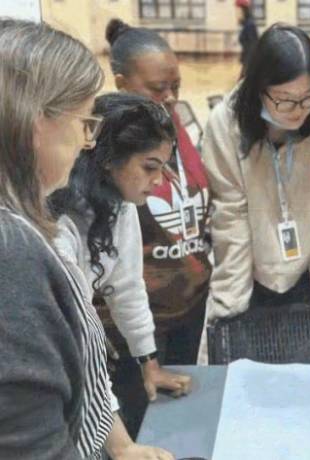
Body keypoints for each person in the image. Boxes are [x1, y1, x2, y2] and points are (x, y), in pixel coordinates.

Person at [0, 19, 172, 459]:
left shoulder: (31, 228)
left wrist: (122, 446)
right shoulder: (13, 251)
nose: (85, 141)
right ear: (36, 122)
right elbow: (29, 439)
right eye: (83, 122)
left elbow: (83, 354)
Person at [197, 23, 310, 362]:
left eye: (308, 97)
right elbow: (230, 215)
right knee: (252, 374)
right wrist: (232, 298)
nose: (298, 110)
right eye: (284, 100)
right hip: (250, 277)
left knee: (308, 374)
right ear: (258, 89)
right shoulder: (226, 123)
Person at [49, 93, 194, 437]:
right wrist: (120, 442)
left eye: (163, 167)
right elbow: (75, 335)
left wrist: (149, 363)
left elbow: (127, 287)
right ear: (108, 159)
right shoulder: (56, 222)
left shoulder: (120, 203)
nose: (158, 181)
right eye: (149, 167)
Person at [104, 19, 212, 437]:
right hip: (134, 325)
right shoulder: (106, 151)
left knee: (179, 428)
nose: (170, 98)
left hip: (188, 307)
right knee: (138, 432)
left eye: (176, 87)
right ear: (121, 83)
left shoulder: (175, 127)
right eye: (157, 88)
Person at [235, 0, 259, 73]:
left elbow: (252, 46)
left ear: (244, 11)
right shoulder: (246, 24)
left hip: (249, 62)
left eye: (238, 12)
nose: (236, 15)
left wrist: (246, 66)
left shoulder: (249, 25)